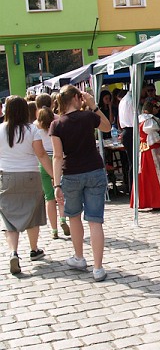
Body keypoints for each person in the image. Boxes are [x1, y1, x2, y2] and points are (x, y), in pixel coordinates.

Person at [49, 85, 111, 282]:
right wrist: (94, 106)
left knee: (74, 217)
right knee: (95, 220)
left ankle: (79, 257)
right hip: (94, 170)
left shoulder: (57, 125)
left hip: (71, 174)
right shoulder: (88, 116)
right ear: (77, 98)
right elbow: (107, 127)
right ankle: (98, 268)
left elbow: (57, 156)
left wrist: (56, 184)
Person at [0, 96, 54, 275]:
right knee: (33, 213)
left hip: (7, 176)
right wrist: (54, 176)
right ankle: (34, 249)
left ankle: (13, 252)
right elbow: (42, 155)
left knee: (9, 218)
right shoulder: (32, 130)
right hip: (31, 175)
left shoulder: (1, 129)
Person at [131, 98, 160, 210]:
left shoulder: (140, 119)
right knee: (158, 175)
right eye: (156, 108)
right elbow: (155, 139)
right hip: (153, 151)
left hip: (144, 151)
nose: (157, 110)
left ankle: (149, 201)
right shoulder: (149, 121)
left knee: (147, 175)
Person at [35, 93, 70, 240]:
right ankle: (63, 219)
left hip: (42, 161)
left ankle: (54, 230)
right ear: (52, 104)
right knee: (61, 192)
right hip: (58, 158)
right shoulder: (58, 120)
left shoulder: (34, 124)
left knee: (49, 198)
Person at [118, 88, 135, 192]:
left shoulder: (124, 100)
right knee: (133, 162)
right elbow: (134, 120)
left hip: (127, 131)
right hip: (130, 131)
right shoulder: (130, 100)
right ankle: (133, 189)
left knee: (132, 163)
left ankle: (132, 188)